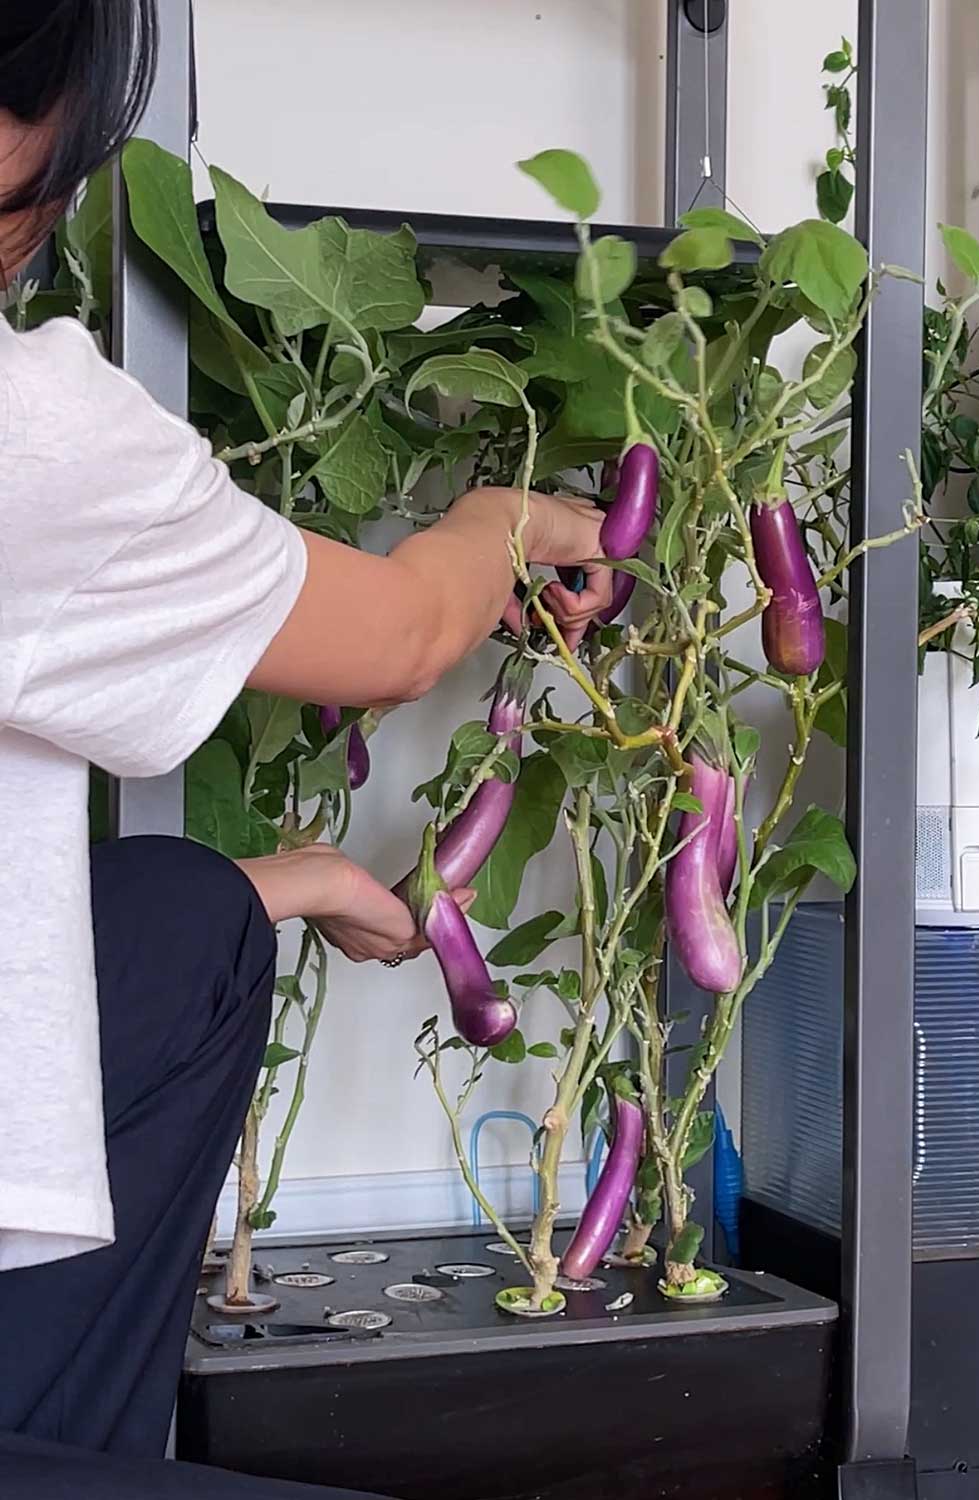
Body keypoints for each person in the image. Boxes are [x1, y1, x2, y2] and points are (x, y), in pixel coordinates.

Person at [0, 4, 612, 1497]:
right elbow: (403, 634)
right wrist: (506, 524)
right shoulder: (30, 435)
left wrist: (274, 881)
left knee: (178, 913)